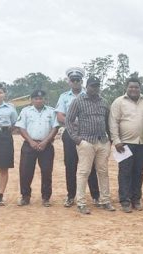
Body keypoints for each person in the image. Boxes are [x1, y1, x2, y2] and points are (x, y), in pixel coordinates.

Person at [65, 76, 115, 214]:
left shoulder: (104, 102)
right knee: (83, 172)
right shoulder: (78, 101)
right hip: (86, 141)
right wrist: (76, 139)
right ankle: (81, 202)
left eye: (97, 86)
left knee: (103, 172)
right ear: (86, 87)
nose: (95, 88)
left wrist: (110, 139)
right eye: (92, 86)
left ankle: (105, 200)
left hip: (102, 141)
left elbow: (108, 122)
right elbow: (68, 120)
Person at [55, 67, 100, 208]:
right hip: (70, 134)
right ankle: (70, 196)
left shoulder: (89, 95)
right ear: (69, 81)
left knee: (90, 165)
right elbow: (60, 115)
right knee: (70, 165)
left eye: (78, 80)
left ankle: (95, 196)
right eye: (73, 80)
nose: (75, 82)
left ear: (82, 81)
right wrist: (73, 121)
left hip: (87, 134)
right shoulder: (64, 97)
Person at [109, 78, 143, 213]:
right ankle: (125, 201)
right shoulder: (119, 102)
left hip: (142, 143)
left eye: (136, 87)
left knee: (138, 173)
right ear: (126, 88)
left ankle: (136, 199)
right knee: (124, 172)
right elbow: (113, 122)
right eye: (131, 87)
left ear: (140, 88)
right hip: (124, 144)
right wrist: (116, 141)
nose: (133, 89)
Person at [15, 90, 59, 207]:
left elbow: (55, 128)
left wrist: (45, 142)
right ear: (31, 100)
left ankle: (46, 198)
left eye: (41, 98)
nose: (38, 100)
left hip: (46, 145)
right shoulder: (25, 111)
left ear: (45, 99)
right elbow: (21, 128)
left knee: (46, 172)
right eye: (36, 99)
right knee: (25, 172)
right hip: (29, 145)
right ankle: (25, 197)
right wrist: (31, 141)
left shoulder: (51, 111)